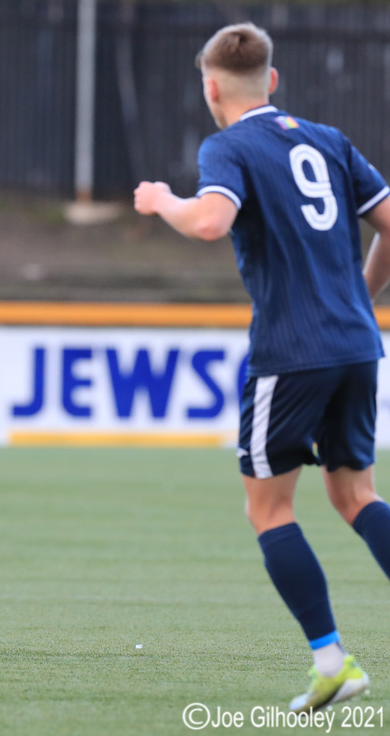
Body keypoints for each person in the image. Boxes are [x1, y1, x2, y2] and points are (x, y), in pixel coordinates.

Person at [134, 23, 390, 712]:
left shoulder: (228, 147)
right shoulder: (329, 140)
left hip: (291, 353)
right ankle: (331, 662)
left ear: (211, 89)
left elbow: (210, 223)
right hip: (357, 345)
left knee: (268, 507)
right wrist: (360, 298)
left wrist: (161, 201)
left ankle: (331, 662)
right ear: (271, 80)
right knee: (356, 496)